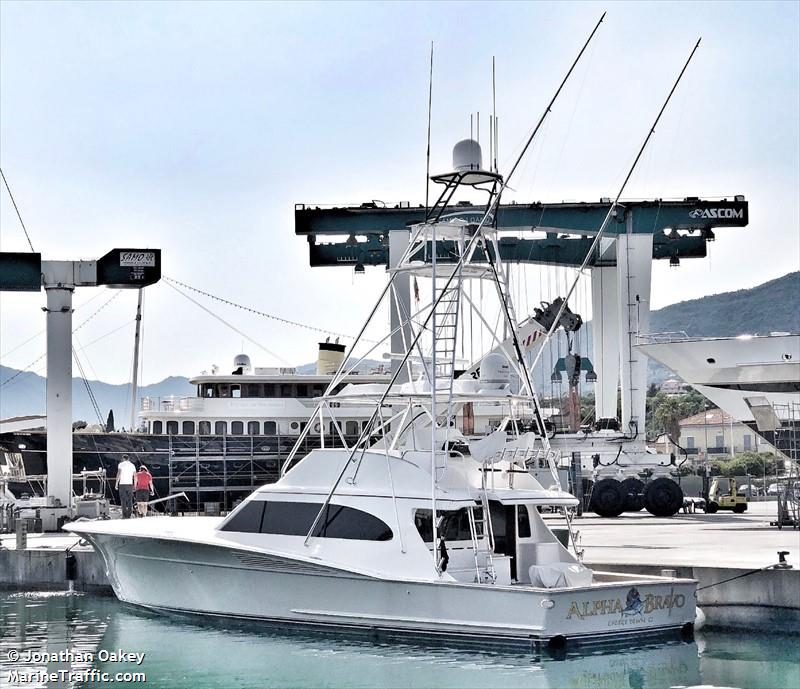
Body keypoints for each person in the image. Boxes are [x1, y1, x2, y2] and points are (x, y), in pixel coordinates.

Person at [115, 454, 136, 519]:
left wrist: (116, 483)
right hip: (130, 484)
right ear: (128, 459)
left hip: (122, 484)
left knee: (123, 500)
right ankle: (129, 515)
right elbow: (135, 476)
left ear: (123, 458)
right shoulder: (132, 465)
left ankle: (124, 515)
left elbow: (119, 474)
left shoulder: (121, 464)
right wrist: (135, 485)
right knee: (130, 500)